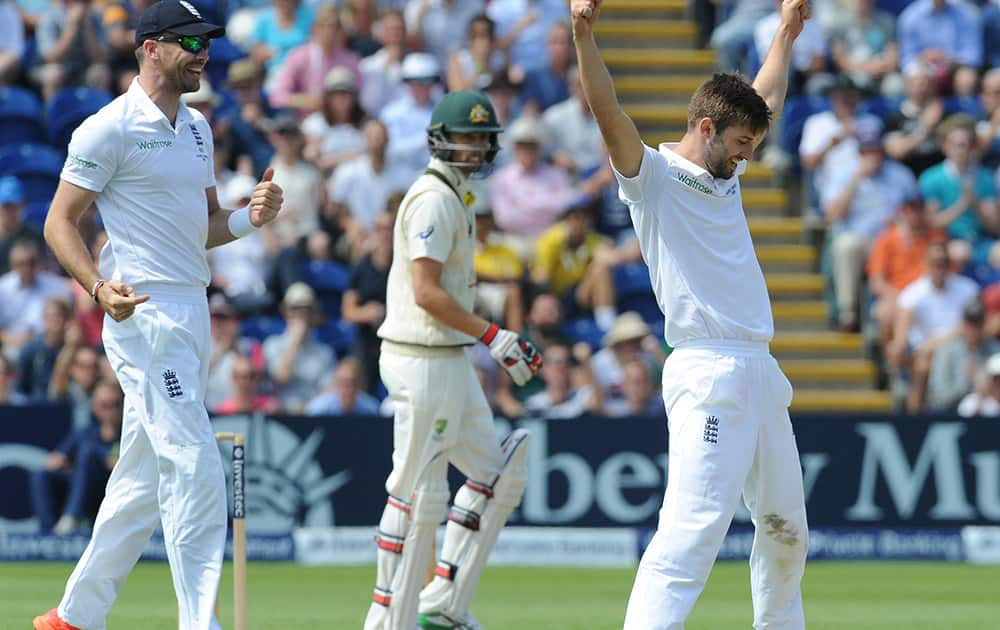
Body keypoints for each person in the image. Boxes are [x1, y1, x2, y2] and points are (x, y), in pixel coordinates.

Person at [32, 2, 284, 628]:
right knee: (194, 460)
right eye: (191, 42)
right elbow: (58, 223)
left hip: (191, 306)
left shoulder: (197, 126)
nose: (204, 53)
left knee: (143, 479)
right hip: (140, 312)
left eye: (207, 42)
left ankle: (73, 616)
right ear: (150, 48)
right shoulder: (106, 128)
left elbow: (204, 228)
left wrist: (252, 218)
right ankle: (200, 622)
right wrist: (96, 289)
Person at [570, 0, 810, 628]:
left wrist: (785, 32)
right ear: (705, 128)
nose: (746, 158)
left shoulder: (726, 170)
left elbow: (764, 95)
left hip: (760, 369)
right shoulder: (650, 175)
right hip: (707, 372)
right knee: (691, 534)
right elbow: (606, 110)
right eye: (738, 144)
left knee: (787, 534)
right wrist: (582, 31)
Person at [364, 90, 542, 630]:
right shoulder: (435, 198)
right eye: (467, 137)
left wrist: (484, 316)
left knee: (499, 472)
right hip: (421, 360)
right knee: (417, 487)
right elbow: (425, 291)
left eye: (484, 139)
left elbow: (449, 290)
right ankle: (385, 619)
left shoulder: (457, 196)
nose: (476, 148)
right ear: (440, 139)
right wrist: (495, 335)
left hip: (448, 358)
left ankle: (444, 604)